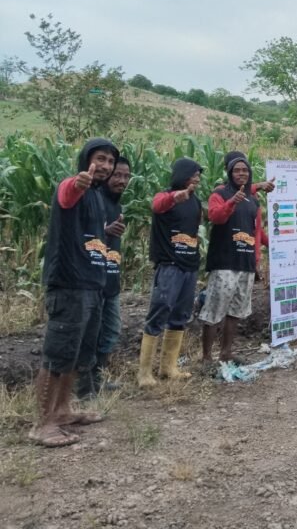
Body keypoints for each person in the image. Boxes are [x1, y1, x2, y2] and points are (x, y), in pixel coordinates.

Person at [30, 138, 118, 447]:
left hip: (92, 284)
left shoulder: (97, 196)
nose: (106, 166)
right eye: (100, 158)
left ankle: (63, 410)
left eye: (110, 161)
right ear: (86, 160)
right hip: (69, 284)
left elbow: (86, 234)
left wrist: (107, 233)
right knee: (58, 355)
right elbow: (68, 193)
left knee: (77, 353)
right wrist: (79, 182)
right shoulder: (74, 185)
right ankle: (43, 424)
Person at [199, 152, 274, 366]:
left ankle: (226, 353)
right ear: (229, 173)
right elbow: (215, 216)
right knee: (214, 309)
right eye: (237, 170)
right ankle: (206, 358)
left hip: (246, 262)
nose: (241, 173)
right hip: (224, 262)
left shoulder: (253, 200)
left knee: (236, 311)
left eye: (245, 170)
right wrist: (231, 202)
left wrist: (272, 244)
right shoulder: (220, 194)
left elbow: (256, 230)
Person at [138, 157, 203, 387]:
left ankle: (168, 367)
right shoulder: (164, 196)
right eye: (194, 174)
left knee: (181, 315)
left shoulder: (195, 202)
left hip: (189, 265)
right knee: (160, 310)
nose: (197, 179)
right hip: (169, 265)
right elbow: (157, 206)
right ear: (182, 175)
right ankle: (144, 373)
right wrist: (176, 197)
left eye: (198, 175)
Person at [77, 156, 130, 398]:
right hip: (92, 281)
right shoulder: (93, 200)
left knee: (110, 331)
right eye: (117, 175)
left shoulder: (116, 206)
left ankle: (98, 378)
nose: (121, 180)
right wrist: (105, 231)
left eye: (126, 176)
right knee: (89, 335)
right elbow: (81, 237)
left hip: (111, 280)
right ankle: (84, 385)